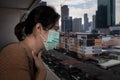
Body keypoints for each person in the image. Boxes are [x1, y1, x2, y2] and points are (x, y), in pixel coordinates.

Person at [0, 6, 60, 80]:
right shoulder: (14, 53)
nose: (57, 34)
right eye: (56, 29)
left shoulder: (30, 55)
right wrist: (42, 72)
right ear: (39, 28)